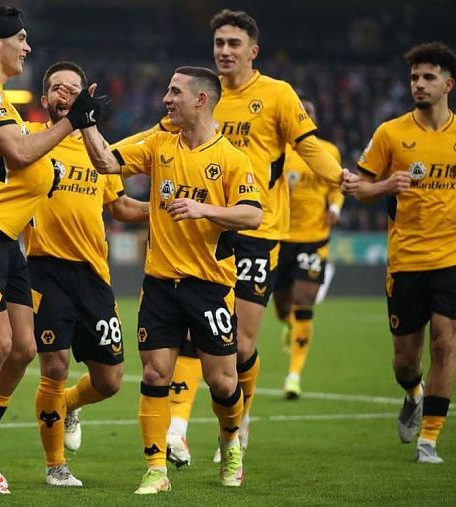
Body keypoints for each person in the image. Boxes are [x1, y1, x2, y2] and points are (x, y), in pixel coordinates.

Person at [133, 9, 359, 462]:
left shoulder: (277, 95)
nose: (224, 51)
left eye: (234, 43)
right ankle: (177, 430)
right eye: (219, 43)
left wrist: (340, 178)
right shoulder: (202, 97)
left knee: (239, 344)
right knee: (192, 334)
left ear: (253, 51)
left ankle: (238, 423)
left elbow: (309, 146)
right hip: (199, 230)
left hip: (257, 228)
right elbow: (153, 138)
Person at [0, 37, 145, 487]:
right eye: (57, 88)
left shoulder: (99, 152)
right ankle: (35, 462)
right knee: (43, 362)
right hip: (41, 266)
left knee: (109, 379)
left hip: (94, 273)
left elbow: (120, 206)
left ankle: (32, 421)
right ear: (45, 100)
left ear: (85, 96)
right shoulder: (31, 136)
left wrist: (169, 208)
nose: (65, 94)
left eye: (73, 89)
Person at [81, 66, 262, 494]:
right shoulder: (158, 144)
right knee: (154, 374)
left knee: (223, 382)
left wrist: (204, 210)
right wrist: (85, 122)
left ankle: (230, 443)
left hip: (210, 286)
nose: (166, 98)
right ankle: (155, 469)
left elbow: (253, 215)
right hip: (161, 284)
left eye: (175, 91)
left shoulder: (232, 159)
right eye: (167, 90)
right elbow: (106, 161)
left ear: (201, 99)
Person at [356, 41, 456, 464]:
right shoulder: (390, 133)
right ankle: (413, 392)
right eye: (415, 76)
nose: (419, 83)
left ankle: (429, 440)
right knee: (405, 362)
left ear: (448, 84)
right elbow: (360, 188)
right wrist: (385, 185)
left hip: (455, 255)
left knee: (445, 341)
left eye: (428, 77)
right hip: (406, 259)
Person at [273, 98, 345, 400]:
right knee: (282, 308)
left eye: (308, 114)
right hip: (279, 238)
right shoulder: (279, 151)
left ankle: (294, 376)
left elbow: (336, 186)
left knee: (304, 302)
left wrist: (335, 208)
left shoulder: (328, 152)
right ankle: (289, 325)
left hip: (315, 239)